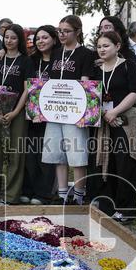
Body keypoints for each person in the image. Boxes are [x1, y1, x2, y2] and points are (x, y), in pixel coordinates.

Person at [89, 30, 136, 222]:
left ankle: (127, 209)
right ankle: (108, 205)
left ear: (117, 46)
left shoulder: (127, 65)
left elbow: (134, 92)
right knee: (106, 162)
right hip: (104, 122)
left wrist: (114, 112)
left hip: (125, 121)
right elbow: (92, 94)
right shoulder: (97, 69)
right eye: (99, 46)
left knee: (126, 163)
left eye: (106, 46)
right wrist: (105, 114)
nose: (102, 50)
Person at [44, 14, 95, 204]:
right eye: (60, 31)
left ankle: (80, 195)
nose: (62, 34)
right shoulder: (57, 53)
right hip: (55, 110)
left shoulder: (86, 54)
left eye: (66, 31)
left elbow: (86, 82)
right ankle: (63, 193)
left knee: (77, 153)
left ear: (78, 32)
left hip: (75, 111)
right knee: (58, 153)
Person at [0, 23, 33, 205]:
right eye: (6, 37)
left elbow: (27, 89)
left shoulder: (26, 61)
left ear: (20, 40)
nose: (9, 41)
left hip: (16, 112)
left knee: (15, 153)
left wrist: (16, 111)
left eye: (13, 37)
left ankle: (11, 196)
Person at [21, 24, 60, 205]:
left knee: (48, 154)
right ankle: (28, 189)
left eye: (45, 37)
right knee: (31, 153)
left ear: (54, 38)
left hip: (54, 113)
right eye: (38, 38)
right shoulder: (31, 60)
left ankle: (44, 193)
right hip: (34, 112)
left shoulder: (60, 60)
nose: (40, 41)